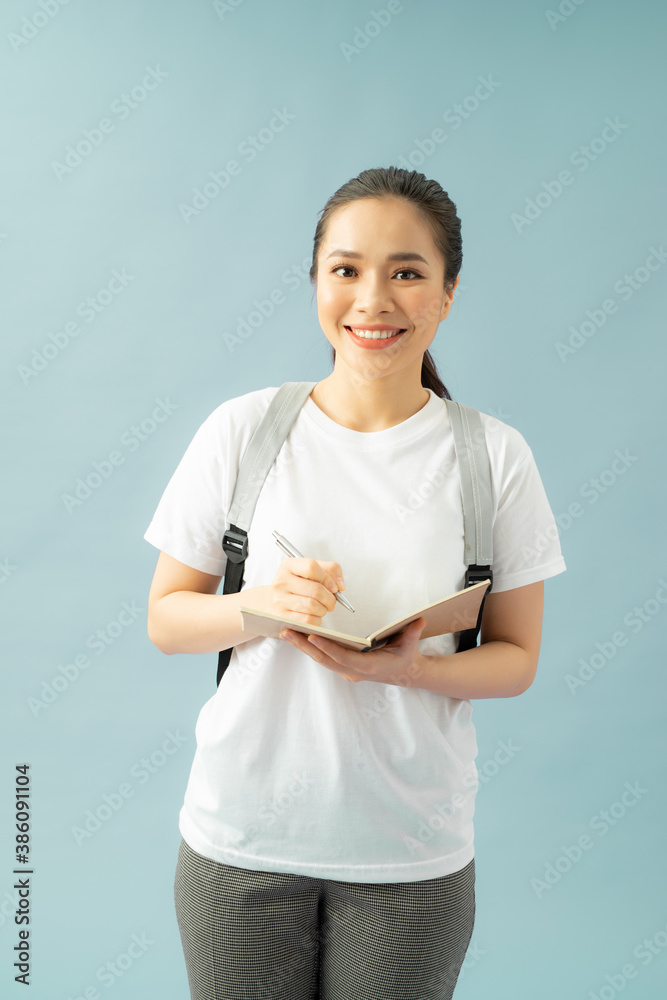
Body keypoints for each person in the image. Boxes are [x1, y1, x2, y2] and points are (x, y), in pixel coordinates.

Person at [144, 166, 566, 1000]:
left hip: (411, 854)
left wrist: (414, 668)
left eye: (406, 272)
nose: (373, 298)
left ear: (446, 295)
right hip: (240, 841)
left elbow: (516, 659)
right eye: (345, 270)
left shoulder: (494, 457)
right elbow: (167, 618)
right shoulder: (243, 430)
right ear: (315, 285)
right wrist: (257, 606)